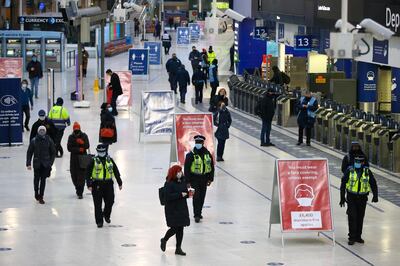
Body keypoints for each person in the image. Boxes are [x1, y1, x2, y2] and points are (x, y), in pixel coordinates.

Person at [340, 156, 378, 245]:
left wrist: (375, 195)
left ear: (363, 163)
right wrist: (342, 197)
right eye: (356, 161)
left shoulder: (367, 172)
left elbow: (373, 183)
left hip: (363, 198)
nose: (357, 163)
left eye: (359, 162)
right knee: (352, 217)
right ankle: (351, 237)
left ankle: (358, 236)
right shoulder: (350, 170)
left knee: (360, 217)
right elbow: (343, 184)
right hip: (351, 197)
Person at [86, 144, 123, 228]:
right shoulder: (93, 161)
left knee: (110, 201)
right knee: (97, 204)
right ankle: (99, 221)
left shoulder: (110, 160)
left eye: (103, 151)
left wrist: (119, 182)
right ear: (97, 151)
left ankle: (106, 215)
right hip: (97, 185)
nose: (102, 153)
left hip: (108, 184)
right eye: (100, 151)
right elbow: (87, 173)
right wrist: (89, 184)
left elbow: (116, 171)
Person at [160, 165, 190, 256]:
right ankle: (164, 239)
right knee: (174, 228)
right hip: (172, 209)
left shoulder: (183, 181)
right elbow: (168, 197)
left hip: (182, 208)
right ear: (174, 173)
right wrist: (180, 195)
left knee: (181, 228)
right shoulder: (168, 183)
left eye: (180, 171)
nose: (180, 173)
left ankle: (178, 248)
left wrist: (189, 194)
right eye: (178, 172)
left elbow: (185, 193)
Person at [184, 135, 214, 223]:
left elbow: (211, 166)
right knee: (196, 197)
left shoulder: (207, 154)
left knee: (202, 197)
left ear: (203, 143)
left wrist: (210, 179)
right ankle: (196, 215)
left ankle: (199, 212)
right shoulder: (191, 154)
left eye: (200, 142)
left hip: (204, 178)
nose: (198, 144)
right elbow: (187, 168)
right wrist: (187, 181)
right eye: (197, 142)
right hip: (194, 179)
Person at [26, 126, 56, 204]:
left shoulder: (49, 140)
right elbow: (29, 152)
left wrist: (50, 163)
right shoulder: (34, 140)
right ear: (38, 131)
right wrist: (28, 163)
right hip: (37, 164)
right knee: (36, 179)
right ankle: (36, 193)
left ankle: (41, 196)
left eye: (43, 130)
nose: (42, 132)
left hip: (46, 164)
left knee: (43, 180)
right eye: (40, 130)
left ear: (45, 131)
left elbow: (53, 152)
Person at [67, 122, 90, 199]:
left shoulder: (84, 136)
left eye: (77, 129)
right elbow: (69, 148)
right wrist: (77, 149)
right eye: (75, 129)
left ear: (80, 129)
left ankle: (80, 192)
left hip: (82, 158)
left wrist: (83, 143)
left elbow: (87, 145)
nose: (76, 130)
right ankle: (77, 188)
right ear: (73, 129)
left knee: (82, 177)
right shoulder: (71, 137)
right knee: (74, 176)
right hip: (73, 159)